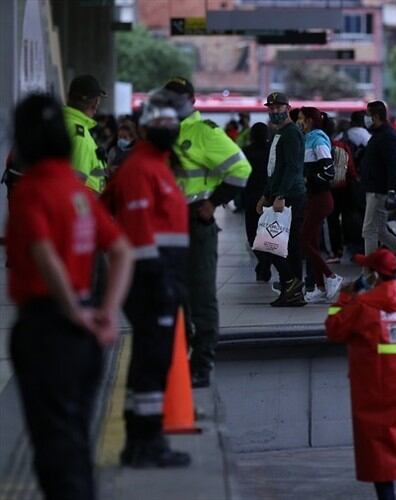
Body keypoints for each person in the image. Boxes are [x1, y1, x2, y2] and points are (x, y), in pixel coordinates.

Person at [7, 93, 133, 500]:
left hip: (46, 327)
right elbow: (120, 251)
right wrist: (106, 313)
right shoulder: (76, 190)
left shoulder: (32, 190)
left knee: (53, 445)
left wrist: (68, 311)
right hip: (84, 331)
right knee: (76, 436)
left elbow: (43, 254)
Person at [101, 89, 192, 468]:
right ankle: (145, 441)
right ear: (144, 126)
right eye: (161, 121)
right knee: (152, 360)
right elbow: (138, 232)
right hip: (151, 277)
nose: (168, 126)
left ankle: (143, 438)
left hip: (159, 274)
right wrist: (159, 281)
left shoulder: (155, 163)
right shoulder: (142, 169)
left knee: (151, 358)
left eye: (173, 120)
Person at [325, 248, 396, 500]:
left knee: (380, 456)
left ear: (374, 275)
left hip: (374, 396)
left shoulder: (363, 306)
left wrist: (344, 296)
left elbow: (333, 330)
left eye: (366, 270)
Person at [164, 77, 252, 387]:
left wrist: (213, 202)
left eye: (177, 98)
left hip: (194, 222)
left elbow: (241, 169)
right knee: (174, 295)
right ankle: (180, 355)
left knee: (200, 295)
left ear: (191, 99)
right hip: (167, 225)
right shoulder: (162, 134)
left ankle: (201, 363)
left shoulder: (205, 133)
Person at [255, 92, 307, 307]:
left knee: (278, 244)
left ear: (288, 108)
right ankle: (292, 287)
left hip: (290, 197)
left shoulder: (291, 133)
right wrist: (266, 195)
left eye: (278, 107)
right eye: (271, 108)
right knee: (273, 244)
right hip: (278, 195)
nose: (274, 111)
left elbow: (292, 168)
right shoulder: (279, 133)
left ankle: (292, 285)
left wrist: (280, 195)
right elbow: (274, 168)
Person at [296, 106, 344, 303]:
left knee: (304, 240)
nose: (298, 122)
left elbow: (328, 171)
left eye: (300, 118)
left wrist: (308, 180)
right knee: (312, 242)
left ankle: (331, 277)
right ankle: (320, 287)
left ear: (308, 120)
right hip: (313, 198)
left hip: (321, 199)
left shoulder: (318, 138)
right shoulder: (308, 139)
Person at [361, 101, 396, 265]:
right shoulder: (380, 134)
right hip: (376, 188)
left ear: (376, 116)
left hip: (379, 190)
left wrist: (391, 190)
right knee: (381, 231)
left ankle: (370, 272)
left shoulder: (387, 136)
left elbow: (392, 165)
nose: (366, 119)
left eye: (368, 115)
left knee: (369, 230)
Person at [323, 114, 360, 264]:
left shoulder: (322, 146)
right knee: (348, 219)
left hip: (328, 189)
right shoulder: (342, 145)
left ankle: (335, 251)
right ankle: (354, 248)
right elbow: (351, 167)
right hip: (345, 188)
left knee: (331, 221)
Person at [64, 74, 108, 193]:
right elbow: (76, 187)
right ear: (94, 103)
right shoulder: (80, 135)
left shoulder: (63, 123)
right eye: (97, 101)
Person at [242, 122, 272, 282]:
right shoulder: (272, 151)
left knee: (252, 233)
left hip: (251, 197)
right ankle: (265, 261)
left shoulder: (246, 151)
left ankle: (263, 262)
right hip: (269, 197)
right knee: (268, 233)